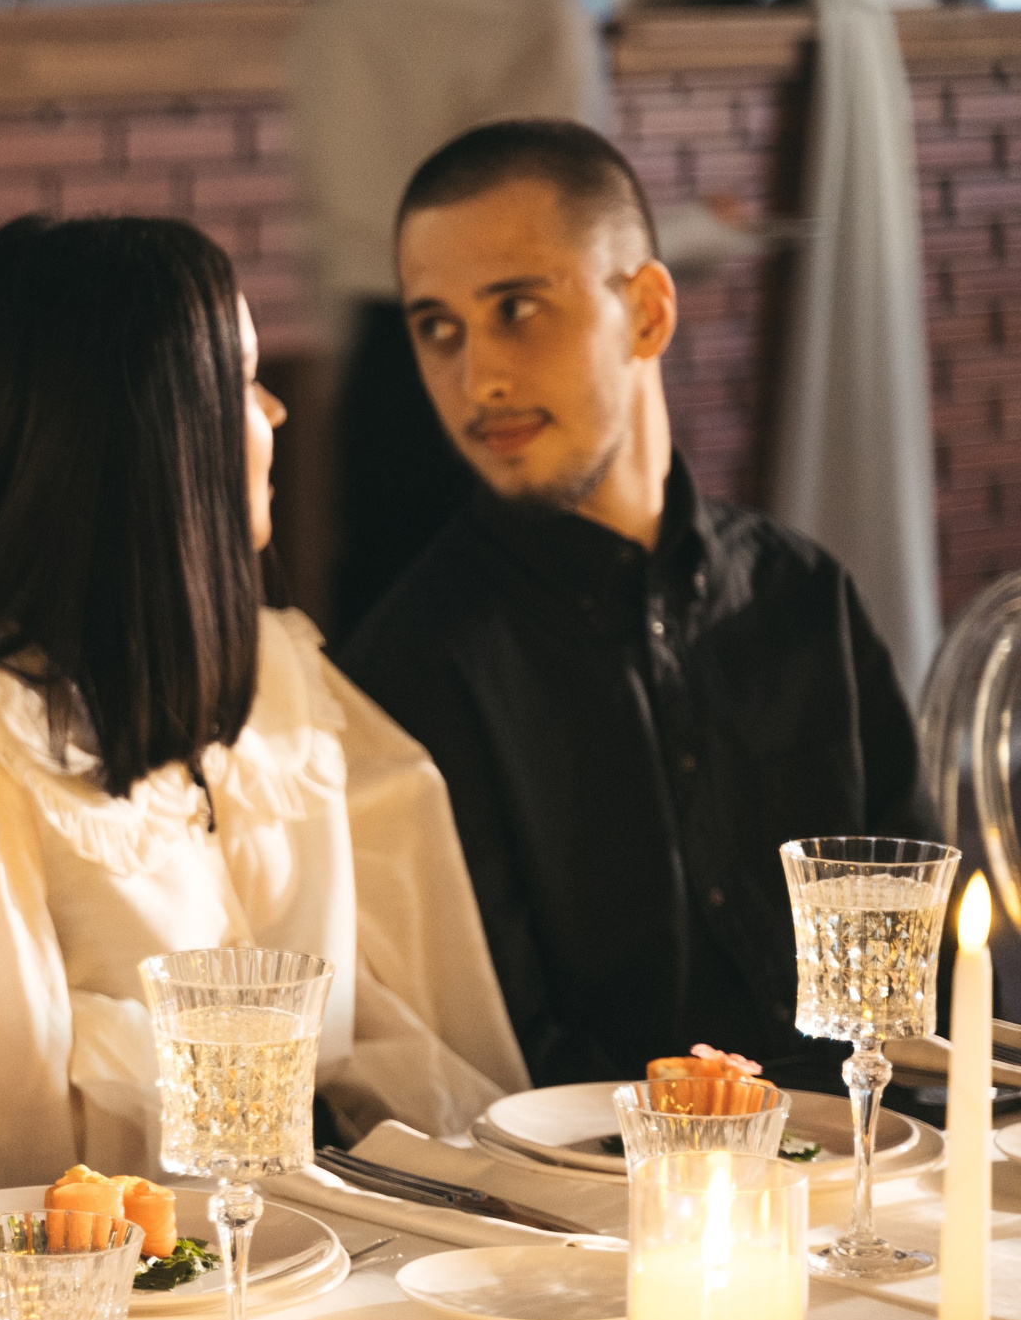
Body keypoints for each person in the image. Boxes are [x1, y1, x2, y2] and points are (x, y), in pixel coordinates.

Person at [0, 214, 528, 1211]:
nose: (274, 411)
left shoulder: (269, 667)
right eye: (240, 381)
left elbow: (397, 1017)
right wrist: (254, 1072)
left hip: (297, 1231)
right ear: (147, 433)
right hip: (59, 1294)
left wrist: (505, 1194)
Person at [339, 119, 929, 1094]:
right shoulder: (410, 668)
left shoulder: (800, 595)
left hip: (879, 1183)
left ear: (648, 312)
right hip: (602, 1211)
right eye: (437, 327)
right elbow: (503, 1066)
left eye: (517, 308)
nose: (476, 375)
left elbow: (917, 978)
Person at [286, 0, 606, 636]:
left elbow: (325, 228)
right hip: (500, 348)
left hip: (379, 349)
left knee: (387, 627)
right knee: (516, 621)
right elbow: (551, 234)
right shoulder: (534, 14)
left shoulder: (339, 13)